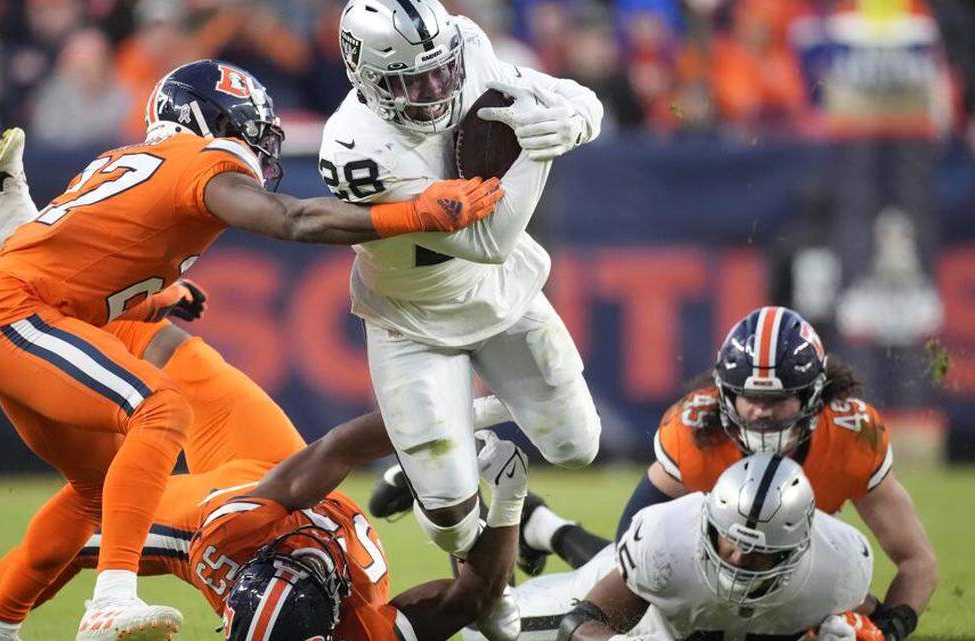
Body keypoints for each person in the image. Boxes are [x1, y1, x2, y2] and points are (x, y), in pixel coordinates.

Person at [0, 59, 503, 641]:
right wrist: (416, 213)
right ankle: (109, 602)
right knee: (160, 410)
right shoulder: (199, 159)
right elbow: (292, 219)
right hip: (14, 315)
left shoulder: (131, 161)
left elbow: (90, 267)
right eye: (247, 130)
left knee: (98, 493)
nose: (258, 152)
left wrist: (155, 293)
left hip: (32, 311)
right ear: (208, 123)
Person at [0, 320, 528, 641]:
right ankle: (67, 273)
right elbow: (472, 593)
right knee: (183, 354)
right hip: (267, 496)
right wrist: (493, 476)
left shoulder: (217, 549)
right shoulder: (252, 537)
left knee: (92, 518)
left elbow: (472, 597)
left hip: (224, 527)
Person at [317, 0, 604, 587]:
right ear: (366, 78)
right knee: (451, 523)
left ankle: (436, 429)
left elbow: (579, 97)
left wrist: (573, 122)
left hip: (500, 292)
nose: (434, 87)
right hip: (412, 317)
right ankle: (453, 461)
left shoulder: (468, 49)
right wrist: (539, 150)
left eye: (440, 69)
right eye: (410, 79)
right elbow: (488, 238)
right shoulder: (355, 149)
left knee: (578, 446)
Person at [507, 306, 936, 641]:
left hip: (786, 566)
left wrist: (890, 628)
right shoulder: (697, 433)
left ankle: (546, 525)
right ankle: (547, 528)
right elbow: (633, 555)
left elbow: (916, 560)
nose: (761, 411)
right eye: (748, 397)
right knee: (641, 577)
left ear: (813, 396)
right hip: (701, 559)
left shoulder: (851, 438)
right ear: (725, 392)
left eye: (780, 398)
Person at [473, 453, 880, 641]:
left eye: (757, 553)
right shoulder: (668, 539)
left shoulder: (841, 565)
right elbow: (579, 624)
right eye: (731, 542)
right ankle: (477, 512)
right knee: (485, 629)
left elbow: (860, 610)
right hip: (646, 622)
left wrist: (862, 630)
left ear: (795, 550)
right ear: (710, 524)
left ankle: (544, 524)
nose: (737, 560)